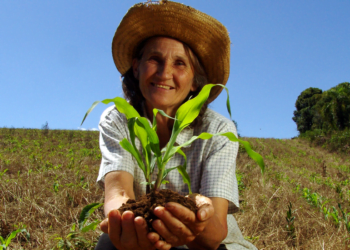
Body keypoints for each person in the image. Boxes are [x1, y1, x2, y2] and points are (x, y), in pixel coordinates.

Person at [95, 1, 258, 250]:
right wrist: (126, 219)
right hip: (144, 231)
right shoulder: (118, 119)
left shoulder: (218, 130)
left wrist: (195, 213)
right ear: (136, 67)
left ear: (195, 81)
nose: (164, 72)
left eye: (180, 63)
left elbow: (215, 232)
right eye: (154, 59)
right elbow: (118, 194)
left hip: (211, 245)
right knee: (108, 244)